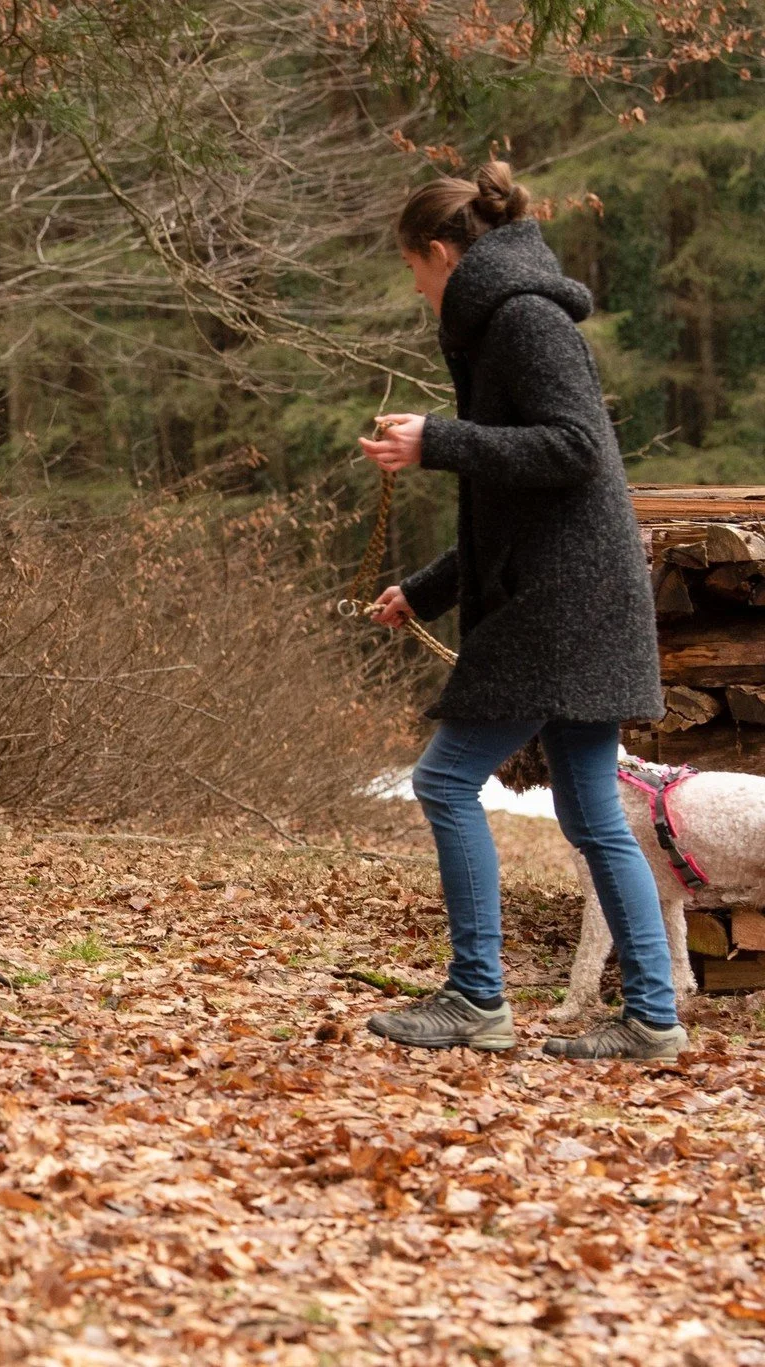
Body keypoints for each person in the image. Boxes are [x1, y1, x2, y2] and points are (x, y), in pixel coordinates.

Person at [356, 162, 681, 1060]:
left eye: (415, 271)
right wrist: (422, 590)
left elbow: (576, 450)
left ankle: (475, 997)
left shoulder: (522, 319)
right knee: (590, 812)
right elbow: (521, 508)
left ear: (440, 253)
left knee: (444, 780)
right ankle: (654, 1017)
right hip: (572, 595)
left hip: (561, 607)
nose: (416, 291)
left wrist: (440, 441)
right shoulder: (501, 320)